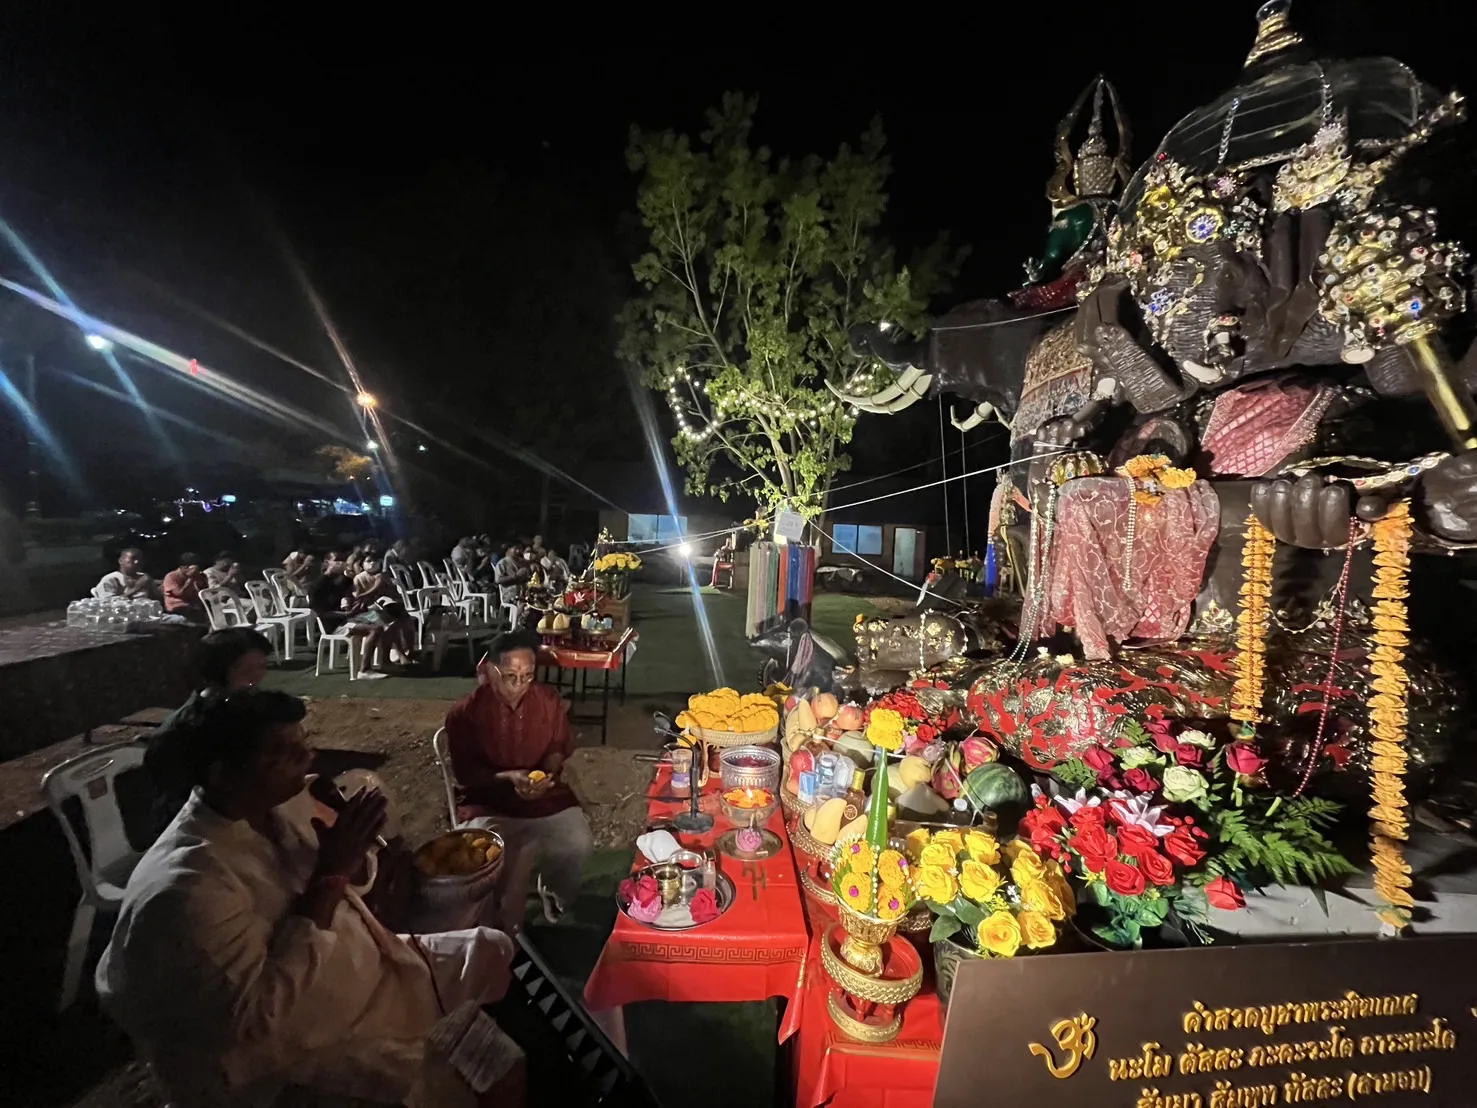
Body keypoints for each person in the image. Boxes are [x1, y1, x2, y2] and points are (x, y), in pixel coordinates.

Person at [96, 689, 515, 1107]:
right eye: (281, 751)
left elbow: (347, 883)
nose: (307, 755)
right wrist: (332, 874)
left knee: (495, 950)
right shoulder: (188, 888)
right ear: (221, 774)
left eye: (302, 740)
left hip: (362, 969)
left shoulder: (282, 803)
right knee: (485, 1073)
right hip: (298, 1049)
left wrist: (356, 857)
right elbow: (257, 1018)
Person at [444, 630, 592, 931]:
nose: (519, 685)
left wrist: (547, 775)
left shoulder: (548, 701)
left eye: (527, 676)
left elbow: (557, 746)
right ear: (491, 671)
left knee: (579, 842)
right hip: (488, 800)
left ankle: (554, 893)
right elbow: (466, 774)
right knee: (498, 856)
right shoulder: (466, 713)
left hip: (545, 796)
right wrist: (510, 777)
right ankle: (494, 923)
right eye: (510, 676)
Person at [142, 627, 274, 841]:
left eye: (261, 666)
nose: (256, 676)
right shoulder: (185, 728)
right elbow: (176, 797)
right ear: (217, 670)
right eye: (244, 668)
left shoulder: (248, 708)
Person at [161, 553, 208, 618]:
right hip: (178, 606)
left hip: (195, 606)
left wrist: (199, 580)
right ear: (183, 567)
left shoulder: (200, 576)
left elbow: (204, 592)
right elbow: (179, 593)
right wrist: (190, 579)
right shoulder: (171, 576)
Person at [494, 544, 530, 628]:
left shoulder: (523, 563)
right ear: (508, 549)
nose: (518, 551)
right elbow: (498, 580)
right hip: (511, 593)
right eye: (516, 548)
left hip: (524, 592)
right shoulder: (503, 563)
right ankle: (515, 625)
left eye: (520, 549)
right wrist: (515, 576)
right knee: (525, 605)